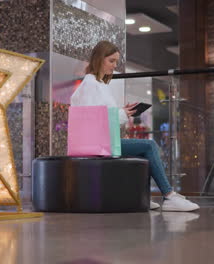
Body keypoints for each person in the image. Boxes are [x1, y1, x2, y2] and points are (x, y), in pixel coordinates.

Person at [70, 40, 199, 212]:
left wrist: (122, 112)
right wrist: (122, 113)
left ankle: (142, 197)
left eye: (116, 61)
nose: (114, 66)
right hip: (96, 146)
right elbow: (95, 121)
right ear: (99, 59)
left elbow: (100, 117)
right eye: (111, 61)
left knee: (143, 147)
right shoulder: (91, 84)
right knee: (149, 145)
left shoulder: (98, 84)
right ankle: (169, 195)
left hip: (102, 142)